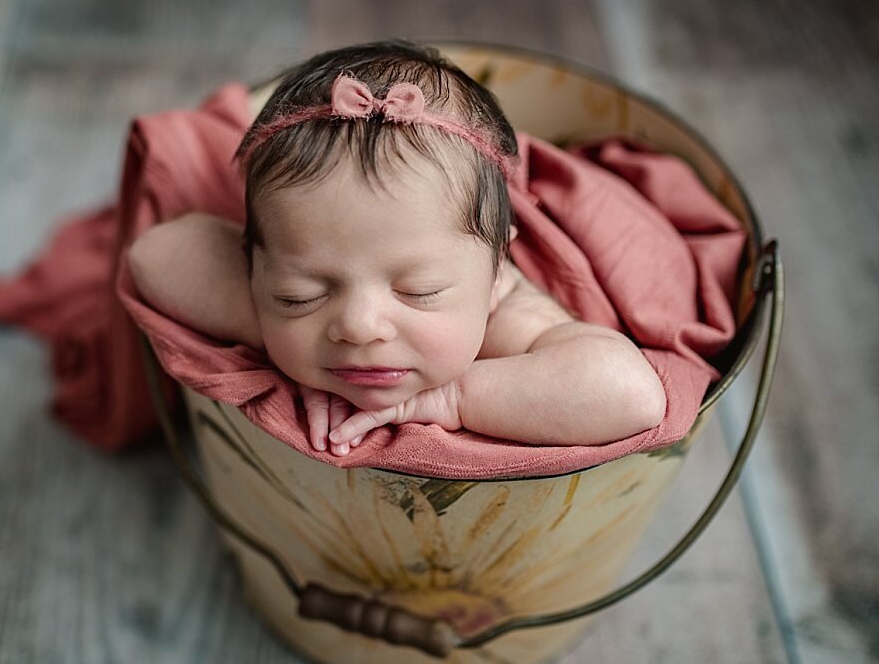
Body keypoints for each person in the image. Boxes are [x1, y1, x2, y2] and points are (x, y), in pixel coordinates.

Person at [128, 41, 666, 457]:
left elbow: (632, 394)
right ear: (257, 269)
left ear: (497, 267)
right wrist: (274, 332)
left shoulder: (509, 317)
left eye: (419, 290)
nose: (359, 328)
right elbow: (152, 255)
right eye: (302, 293)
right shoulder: (278, 277)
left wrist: (450, 398)